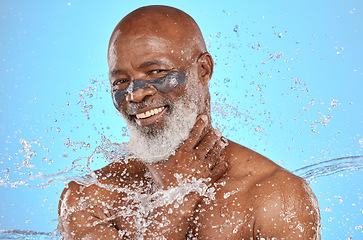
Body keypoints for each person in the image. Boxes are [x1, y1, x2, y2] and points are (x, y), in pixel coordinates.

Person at [58, 5, 321, 239]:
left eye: (156, 71)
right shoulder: (88, 198)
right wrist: (179, 195)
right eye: (121, 81)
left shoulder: (276, 198)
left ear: (204, 70)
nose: (136, 93)